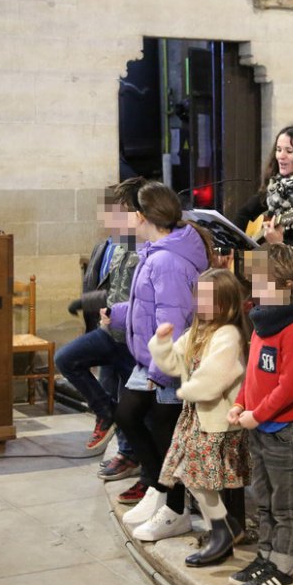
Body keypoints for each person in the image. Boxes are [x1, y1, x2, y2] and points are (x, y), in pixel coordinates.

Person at [106, 180, 212, 542]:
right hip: (151, 357)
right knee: (128, 415)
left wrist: (159, 372)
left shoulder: (167, 260)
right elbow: (148, 306)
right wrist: (117, 314)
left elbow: (174, 321)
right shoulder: (156, 251)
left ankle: (175, 509)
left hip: (167, 363)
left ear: (141, 216)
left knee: (167, 435)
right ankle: (158, 489)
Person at [226, 243, 293, 585]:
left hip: (283, 432)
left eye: (263, 281)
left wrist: (257, 414)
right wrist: (240, 403)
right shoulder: (262, 324)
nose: (255, 287)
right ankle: (265, 557)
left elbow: (288, 388)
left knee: (285, 505)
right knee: (263, 500)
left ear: (287, 286)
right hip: (259, 427)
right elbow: (253, 376)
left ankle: (283, 569)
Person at [150, 268, 250, 568]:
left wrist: (188, 391)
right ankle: (224, 528)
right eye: (200, 297)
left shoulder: (228, 334)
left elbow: (214, 377)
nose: (202, 304)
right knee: (188, 474)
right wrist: (162, 343)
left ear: (227, 303)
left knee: (197, 477)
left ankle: (223, 530)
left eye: (210, 298)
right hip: (196, 417)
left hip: (217, 421)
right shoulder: (198, 331)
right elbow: (174, 362)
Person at [55, 178, 141, 480]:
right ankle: (114, 432)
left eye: (112, 210)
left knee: (126, 399)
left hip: (128, 336)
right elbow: (107, 288)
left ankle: (130, 455)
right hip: (107, 328)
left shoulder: (138, 246)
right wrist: (86, 302)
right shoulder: (108, 246)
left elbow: (133, 294)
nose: (104, 217)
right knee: (102, 388)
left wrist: (103, 308)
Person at [233, 124, 293, 276]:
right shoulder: (276, 188)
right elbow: (244, 213)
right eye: (278, 150)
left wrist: (278, 243)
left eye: (289, 151)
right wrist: (238, 245)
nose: (281, 156)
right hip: (269, 269)